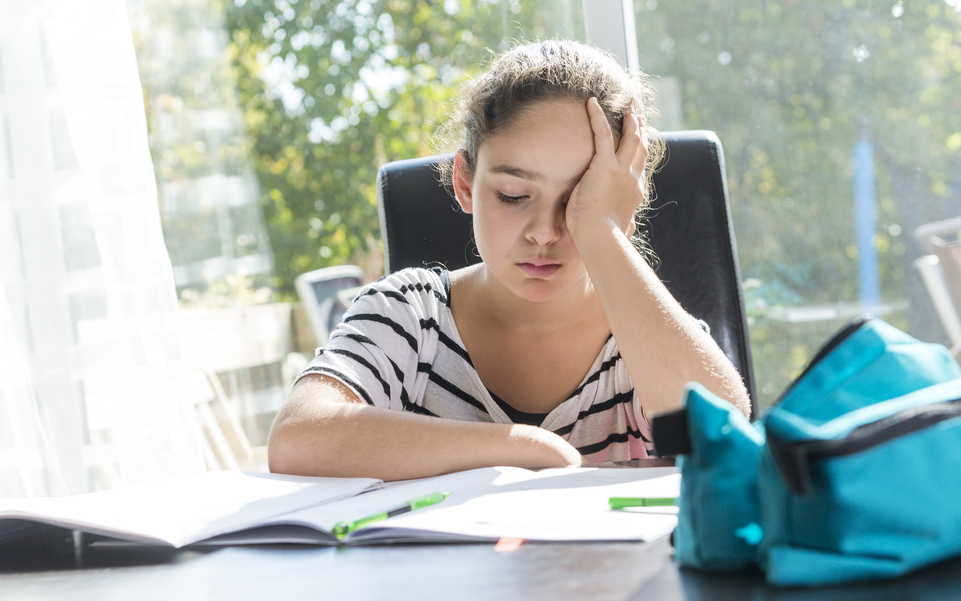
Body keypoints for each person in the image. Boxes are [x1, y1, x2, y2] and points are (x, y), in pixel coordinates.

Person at [268, 40, 751, 481]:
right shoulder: (410, 316)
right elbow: (297, 438)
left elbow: (726, 435)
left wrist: (603, 232)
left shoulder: (642, 333)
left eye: (578, 201)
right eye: (514, 195)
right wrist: (522, 447)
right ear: (464, 184)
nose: (545, 232)